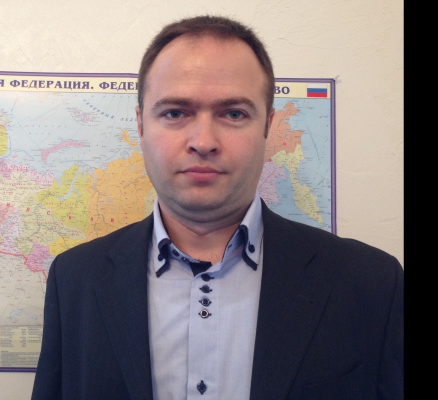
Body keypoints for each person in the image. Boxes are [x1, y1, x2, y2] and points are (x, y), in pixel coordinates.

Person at [31, 15, 403, 400]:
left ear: (267, 126)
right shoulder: (75, 279)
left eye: (233, 113)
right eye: (175, 112)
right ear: (140, 124)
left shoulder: (372, 284)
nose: (204, 141)